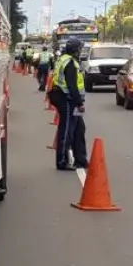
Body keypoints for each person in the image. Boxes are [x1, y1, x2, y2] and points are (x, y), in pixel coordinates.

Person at [49, 38, 89, 171]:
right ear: (75, 50)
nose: (81, 51)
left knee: (79, 128)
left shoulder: (65, 59)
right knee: (66, 130)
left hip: (66, 96)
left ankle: (81, 160)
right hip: (65, 98)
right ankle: (62, 161)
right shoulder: (70, 63)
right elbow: (72, 86)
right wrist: (79, 103)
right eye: (79, 49)